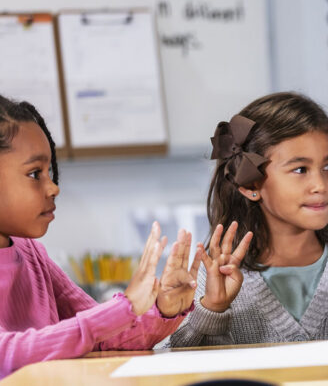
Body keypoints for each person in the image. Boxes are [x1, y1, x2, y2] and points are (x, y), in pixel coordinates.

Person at [170, 92, 328, 346]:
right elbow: (180, 370)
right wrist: (213, 310)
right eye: (300, 170)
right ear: (251, 186)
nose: (321, 185)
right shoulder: (215, 276)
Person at [0, 95, 197, 378]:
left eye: (50, 172)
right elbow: (7, 355)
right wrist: (122, 308)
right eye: (35, 174)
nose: (53, 187)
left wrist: (163, 307)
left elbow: (105, 337)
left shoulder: (32, 253)